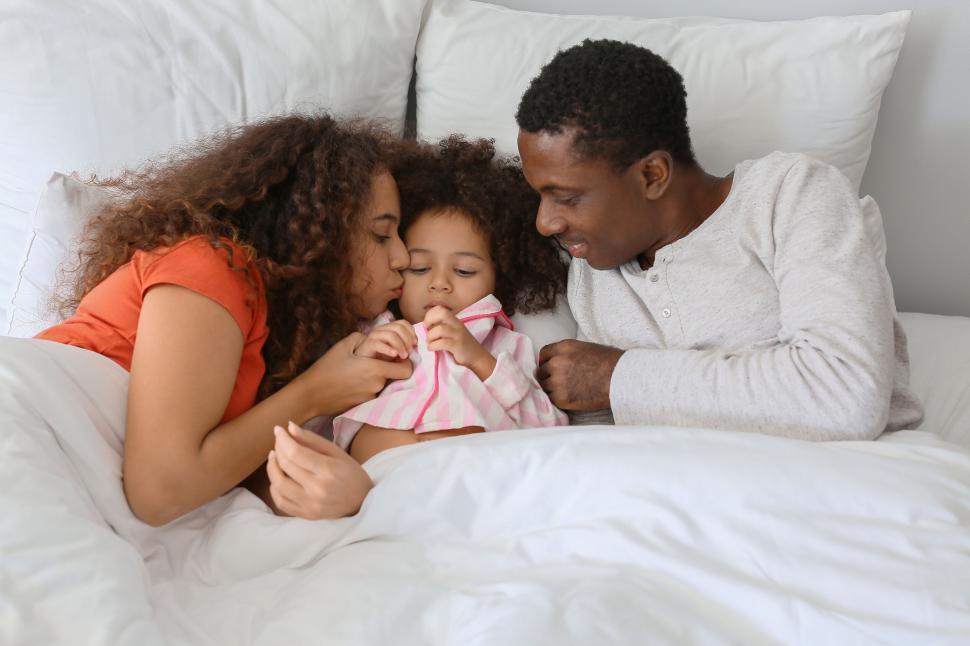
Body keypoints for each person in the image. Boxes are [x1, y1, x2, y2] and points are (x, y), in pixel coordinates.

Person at [514, 39, 923, 440]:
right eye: (539, 195)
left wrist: (615, 376)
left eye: (566, 198)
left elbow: (845, 395)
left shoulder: (788, 196)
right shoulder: (588, 266)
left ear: (652, 175)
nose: (545, 222)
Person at [36, 114, 414, 525]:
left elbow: (217, 475)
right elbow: (160, 491)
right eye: (381, 235)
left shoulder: (281, 334)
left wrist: (349, 496)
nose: (404, 259)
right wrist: (315, 392)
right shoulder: (211, 266)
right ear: (317, 233)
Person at [324, 136, 569, 463]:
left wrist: (480, 361)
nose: (439, 284)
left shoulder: (508, 347)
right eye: (420, 267)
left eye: (465, 271)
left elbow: (550, 429)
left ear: (499, 276)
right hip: (377, 483)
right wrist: (365, 359)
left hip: (467, 477)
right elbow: (323, 413)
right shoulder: (371, 332)